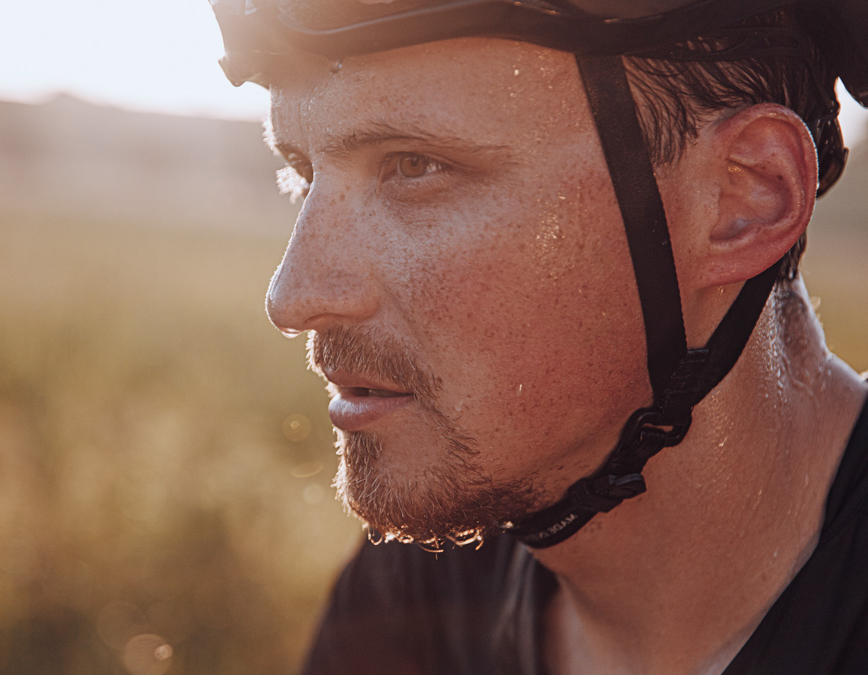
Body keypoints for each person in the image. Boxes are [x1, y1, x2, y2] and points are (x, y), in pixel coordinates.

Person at [210, 1, 868, 673]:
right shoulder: (416, 601)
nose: (294, 297)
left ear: (745, 199)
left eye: (414, 165)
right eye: (303, 172)